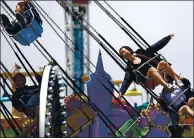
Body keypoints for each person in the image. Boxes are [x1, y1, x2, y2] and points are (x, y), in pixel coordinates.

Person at [119, 34, 184, 97]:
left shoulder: (142, 53)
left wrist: (167, 38)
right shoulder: (130, 67)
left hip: (158, 74)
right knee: (152, 70)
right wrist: (122, 90)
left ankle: (177, 80)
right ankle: (166, 86)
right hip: (149, 81)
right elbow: (127, 79)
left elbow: (155, 47)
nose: (123, 54)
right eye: (122, 54)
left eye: (124, 51)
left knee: (162, 63)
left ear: (129, 50)